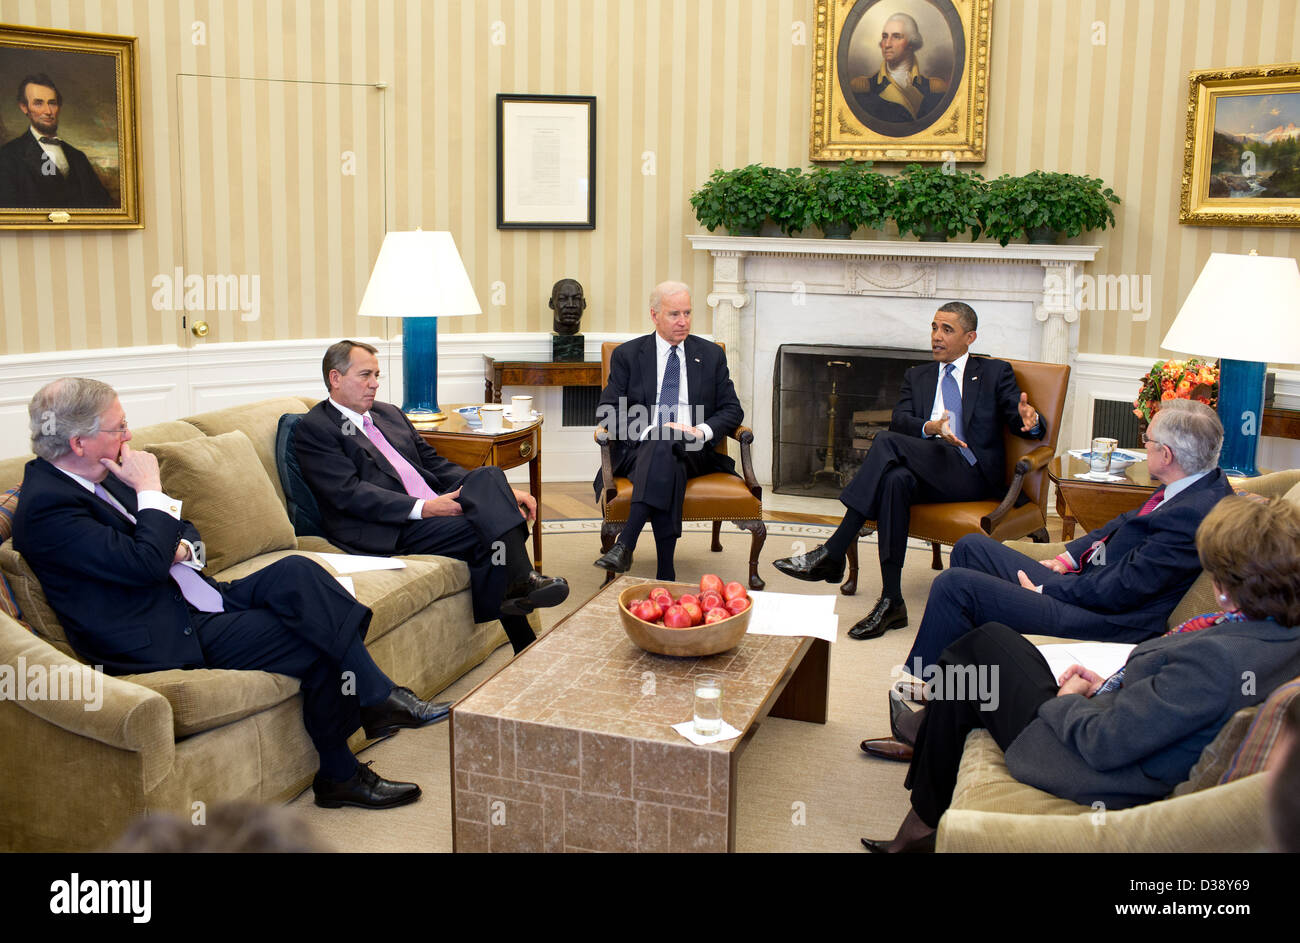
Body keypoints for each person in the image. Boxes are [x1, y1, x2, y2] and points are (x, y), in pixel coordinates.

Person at [14, 378, 444, 811]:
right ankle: (343, 770)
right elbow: (145, 563)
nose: (129, 436)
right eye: (119, 427)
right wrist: (150, 494)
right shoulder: (50, 508)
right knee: (314, 637)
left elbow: (184, 530)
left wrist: (174, 543)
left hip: (196, 593)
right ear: (79, 442)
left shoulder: (108, 471)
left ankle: (374, 696)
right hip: (157, 631)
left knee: (299, 573)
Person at [863, 495, 1300, 853]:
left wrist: (1069, 697)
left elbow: (1104, 744)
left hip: (1089, 764)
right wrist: (1109, 683)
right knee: (982, 660)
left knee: (981, 649)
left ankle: (920, 816)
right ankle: (924, 809)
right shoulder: (1279, 636)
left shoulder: (1218, 662)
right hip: (1117, 712)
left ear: (1226, 583)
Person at [773, 302, 1043, 640]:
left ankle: (835, 548)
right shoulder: (918, 375)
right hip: (928, 463)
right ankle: (892, 601)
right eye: (934, 328)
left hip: (970, 471)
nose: (936, 337)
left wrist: (1030, 422)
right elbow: (901, 419)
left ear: (970, 337)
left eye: (947, 330)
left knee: (885, 442)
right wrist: (931, 427)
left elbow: (1020, 418)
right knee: (895, 481)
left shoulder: (993, 372)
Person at [293, 340, 567, 655]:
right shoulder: (317, 428)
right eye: (365, 375)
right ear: (335, 378)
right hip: (392, 525)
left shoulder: (388, 413)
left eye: (377, 375)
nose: (375, 384)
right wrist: (424, 508)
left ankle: (520, 593)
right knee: (487, 530)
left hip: (437, 505)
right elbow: (349, 494)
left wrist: (502, 492)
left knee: (490, 476)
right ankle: (522, 611)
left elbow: (434, 463)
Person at [591, 281, 743, 581]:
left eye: (687, 313)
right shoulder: (628, 355)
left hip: (695, 451)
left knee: (667, 446)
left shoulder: (710, 355)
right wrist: (653, 430)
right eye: (674, 314)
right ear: (654, 315)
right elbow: (607, 410)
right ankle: (665, 571)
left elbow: (732, 410)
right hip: (641, 450)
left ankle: (626, 544)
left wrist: (700, 431)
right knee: (663, 445)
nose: (683, 321)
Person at [0, 73, 114, 208]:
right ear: (24, 107)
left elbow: (103, 205)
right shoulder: (8, 156)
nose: (48, 111)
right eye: (38, 103)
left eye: (52, 103)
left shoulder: (78, 157)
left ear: (59, 107)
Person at [847, 13, 949, 125]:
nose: (887, 44)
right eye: (885, 36)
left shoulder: (935, 89)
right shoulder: (862, 88)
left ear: (911, 43)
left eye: (896, 37)